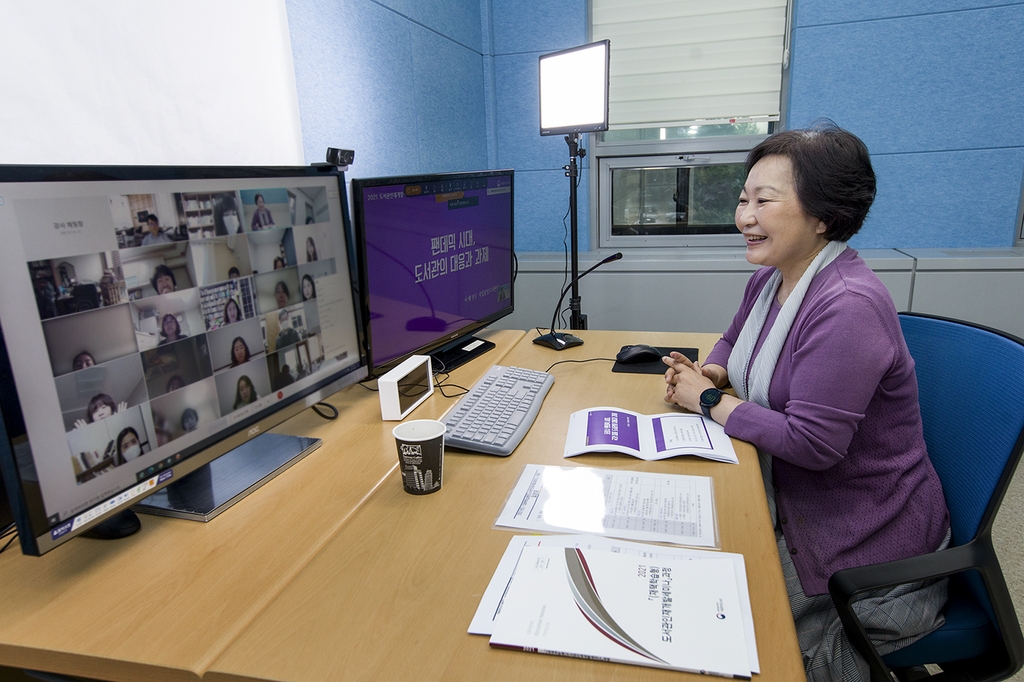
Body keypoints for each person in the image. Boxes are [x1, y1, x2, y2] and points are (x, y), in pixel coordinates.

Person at [661, 123, 950, 682]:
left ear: (822, 215)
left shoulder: (846, 305)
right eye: (744, 199)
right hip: (799, 498)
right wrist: (717, 367)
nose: (744, 216)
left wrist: (710, 399)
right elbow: (731, 337)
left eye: (764, 201)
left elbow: (813, 445)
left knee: (723, 633)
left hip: (864, 533)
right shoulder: (774, 278)